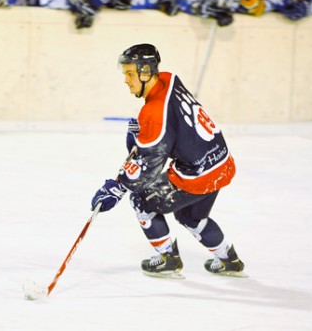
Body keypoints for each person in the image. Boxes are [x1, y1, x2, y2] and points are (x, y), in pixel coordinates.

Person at [90, 44, 245, 278]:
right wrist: (144, 139)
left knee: (141, 201)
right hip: (222, 163)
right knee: (191, 217)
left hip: (198, 174)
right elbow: (169, 130)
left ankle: (167, 259)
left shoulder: (153, 113)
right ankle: (229, 260)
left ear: (145, 72)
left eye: (130, 74)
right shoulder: (169, 79)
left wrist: (118, 186)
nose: (126, 80)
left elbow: (149, 167)